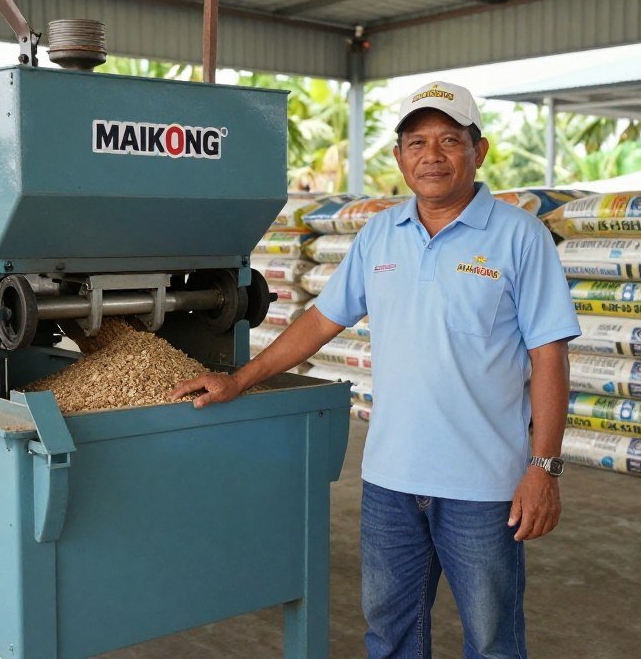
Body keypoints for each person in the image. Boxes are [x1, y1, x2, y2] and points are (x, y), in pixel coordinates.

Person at [171, 81, 579, 659]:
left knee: (492, 639)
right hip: (391, 481)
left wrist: (544, 467)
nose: (431, 156)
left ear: (478, 150)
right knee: (389, 634)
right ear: (399, 157)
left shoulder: (520, 237)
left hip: (484, 486)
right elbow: (321, 320)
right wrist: (240, 378)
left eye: (448, 140)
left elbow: (549, 357)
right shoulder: (380, 234)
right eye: (416, 142)